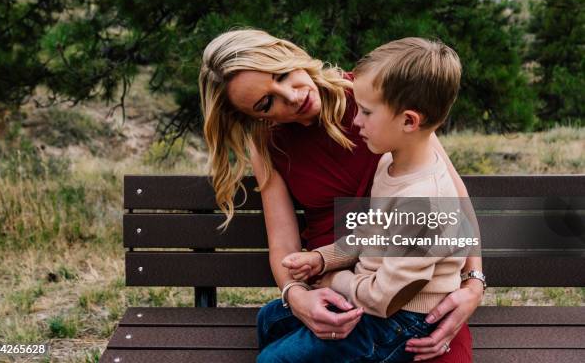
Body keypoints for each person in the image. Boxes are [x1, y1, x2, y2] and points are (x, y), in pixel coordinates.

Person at [199, 29, 485, 362]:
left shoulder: (377, 97)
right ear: (254, 117)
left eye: (282, 74)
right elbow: (285, 243)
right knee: (272, 324)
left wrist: (472, 284)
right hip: (341, 285)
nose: (291, 96)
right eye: (267, 102)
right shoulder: (267, 142)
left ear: (291, 55)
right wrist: (297, 295)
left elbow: (453, 204)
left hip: (404, 295)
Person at [269, 37, 473, 362]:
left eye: (365, 112)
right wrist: (323, 259)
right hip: (371, 289)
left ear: (409, 121)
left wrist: (335, 280)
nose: (355, 121)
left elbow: (385, 298)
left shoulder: (422, 202)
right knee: (269, 320)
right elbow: (370, 234)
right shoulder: (389, 164)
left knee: (273, 360)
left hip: (403, 320)